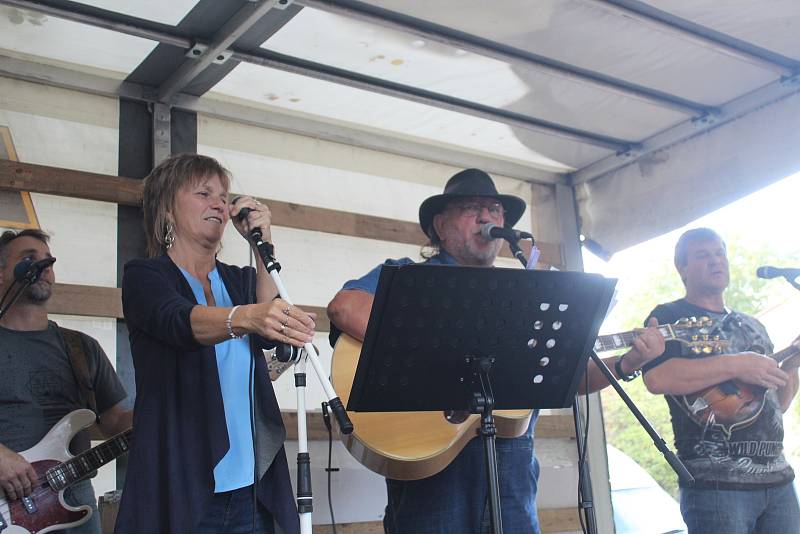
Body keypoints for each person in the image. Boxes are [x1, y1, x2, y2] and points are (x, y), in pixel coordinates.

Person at [327, 168, 665, 533]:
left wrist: (629, 362)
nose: (487, 217)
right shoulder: (410, 278)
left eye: (495, 210)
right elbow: (345, 308)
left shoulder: (526, 297)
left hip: (512, 482)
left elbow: (566, 375)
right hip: (430, 480)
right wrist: (454, 352)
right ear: (441, 226)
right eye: (472, 208)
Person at [115, 154, 315, 534]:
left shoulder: (238, 280)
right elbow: (178, 321)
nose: (220, 205)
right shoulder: (145, 276)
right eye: (204, 193)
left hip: (253, 489)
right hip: (186, 487)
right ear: (167, 208)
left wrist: (262, 241)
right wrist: (247, 317)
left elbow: (266, 325)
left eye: (224, 197)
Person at [642, 227, 800, 534]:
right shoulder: (669, 315)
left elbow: (777, 405)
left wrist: (792, 365)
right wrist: (736, 364)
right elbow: (658, 378)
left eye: (720, 253)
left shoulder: (753, 325)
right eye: (703, 255)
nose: (716, 261)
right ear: (682, 268)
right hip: (715, 486)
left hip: (779, 481)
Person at [0, 229, 132, 534]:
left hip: (75, 506)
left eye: (47, 261)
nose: (43, 267)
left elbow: (115, 423)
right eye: (28, 259)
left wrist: (166, 410)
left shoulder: (81, 348)